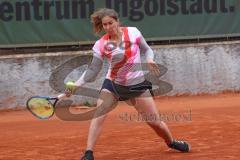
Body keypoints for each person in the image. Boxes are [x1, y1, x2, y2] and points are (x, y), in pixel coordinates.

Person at [65, 8, 190, 160]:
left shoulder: (133, 32)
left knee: (155, 123)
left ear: (117, 21)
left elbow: (147, 49)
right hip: (113, 85)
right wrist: (77, 85)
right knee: (98, 115)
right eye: (104, 25)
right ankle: (88, 153)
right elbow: (93, 70)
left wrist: (149, 59)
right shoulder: (101, 44)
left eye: (110, 23)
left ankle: (171, 142)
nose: (108, 27)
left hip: (137, 86)